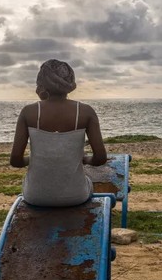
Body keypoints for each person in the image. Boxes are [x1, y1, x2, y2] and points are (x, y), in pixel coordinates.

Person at [10, 59, 107, 207]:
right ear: (70, 82)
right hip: (76, 196)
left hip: (35, 196)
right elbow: (100, 158)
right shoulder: (86, 111)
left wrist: (36, 159)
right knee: (87, 181)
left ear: (41, 81)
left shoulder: (28, 112)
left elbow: (15, 161)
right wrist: (84, 159)